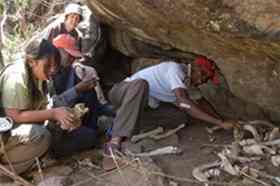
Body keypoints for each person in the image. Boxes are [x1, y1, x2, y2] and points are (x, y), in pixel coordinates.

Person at [103, 57, 237, 170]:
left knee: (180, 117)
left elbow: (202, 103)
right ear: (194, 67)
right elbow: (183, 102)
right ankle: (114, 143)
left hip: (143, 106)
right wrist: (219, 123)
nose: (202, 80)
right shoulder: (175, 69)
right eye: (203, 74)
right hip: (121, 93)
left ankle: (118, 120)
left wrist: (221, 121)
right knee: (141, 84)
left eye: (206, 79)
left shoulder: (189, 85)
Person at [0, 39, 76, 175]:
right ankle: (6, 174)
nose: (53, 70)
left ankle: (36, 160)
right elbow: (14, 115)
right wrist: (53, 114)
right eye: (48, 65)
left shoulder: (40, 78)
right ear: (31, 61)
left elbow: (44, 109)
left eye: (55, 66)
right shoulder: (16, 77)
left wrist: (65, 117)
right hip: (4, 136)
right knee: (41, 135)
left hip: (13, 135)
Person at [45, 2, 108, 105]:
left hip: (69, 65)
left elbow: (76, 54)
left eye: (77, 18)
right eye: (72, 17)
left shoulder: (76, 34)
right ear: (66, 17)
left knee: (89, 71)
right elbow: (45, 49)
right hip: (53, 65)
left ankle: (100, 102)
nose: (74, 20)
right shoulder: (55, 28)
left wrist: (78, 63)